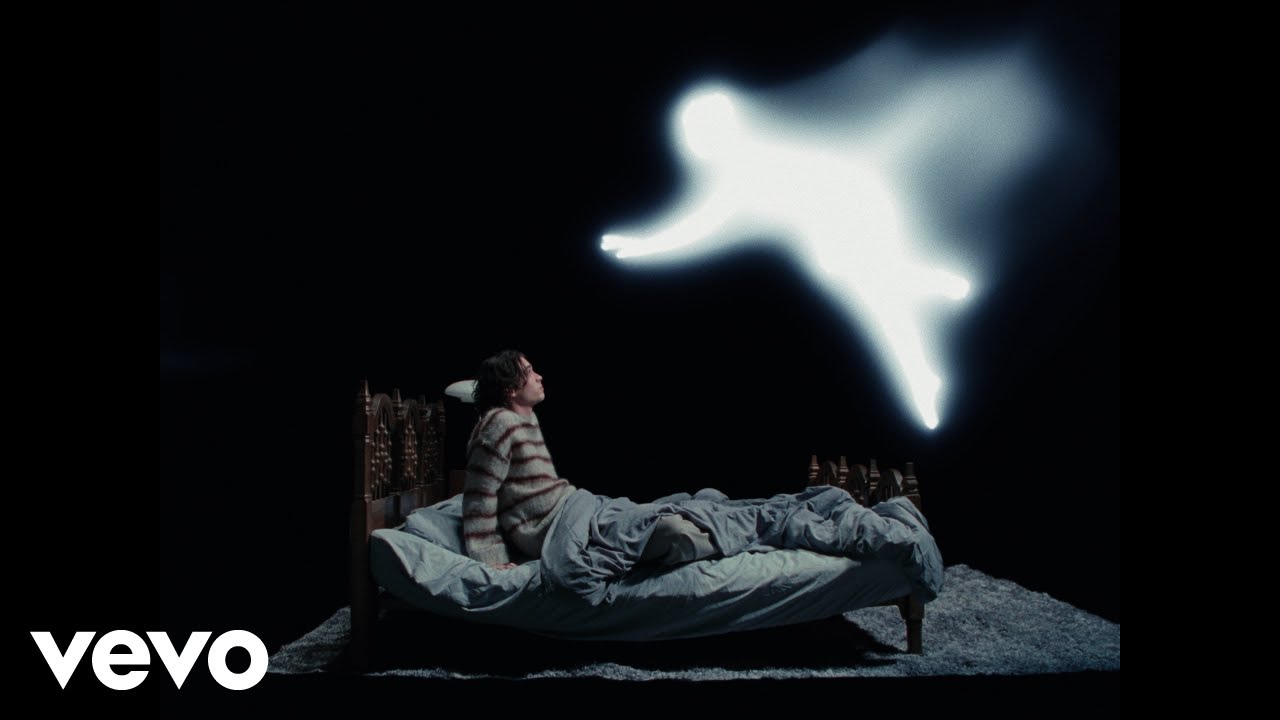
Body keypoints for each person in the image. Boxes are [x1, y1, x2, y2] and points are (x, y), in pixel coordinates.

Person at [462, 350, 717, 569]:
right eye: (529, 372)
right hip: (557, 526)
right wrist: (491, 559)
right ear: (510, 389)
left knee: (675, 510)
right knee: (676, 532)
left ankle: (710, 517)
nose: (539, 376)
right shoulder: (497, 424)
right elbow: (478, 499)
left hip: (573, 510)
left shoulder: (524, 420)